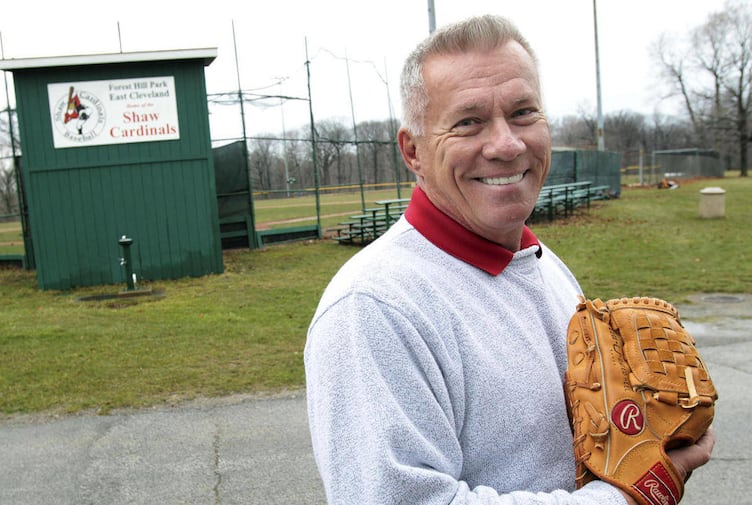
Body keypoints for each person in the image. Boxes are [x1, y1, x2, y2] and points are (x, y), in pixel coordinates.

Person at [304, 14, 714, 505]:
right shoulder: (374, 307)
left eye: (523, 113)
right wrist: (630, 497)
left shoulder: (542, 264)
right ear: (413, 150)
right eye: (469, 121)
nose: (506, 144)